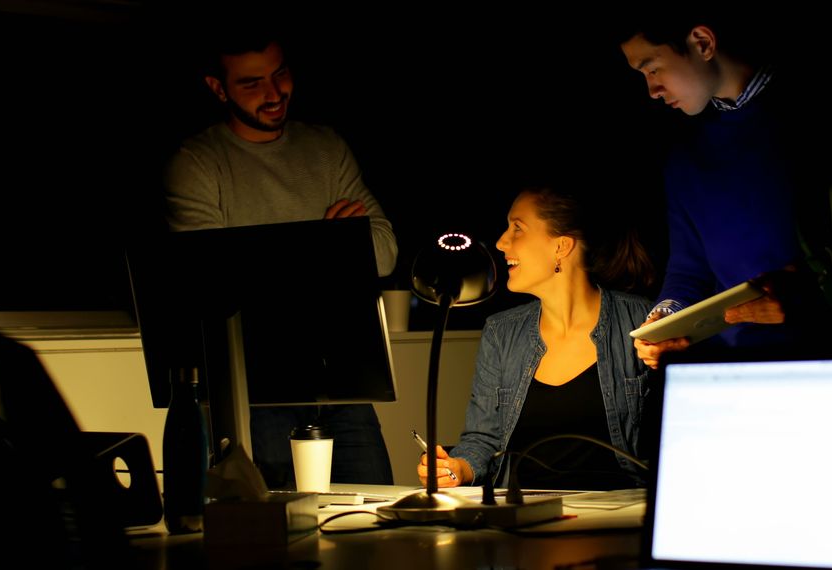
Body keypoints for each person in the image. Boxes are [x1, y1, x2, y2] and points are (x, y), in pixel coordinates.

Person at [163, 29, 396, 487]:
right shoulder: (197, 164)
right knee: (271, 527)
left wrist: (275, 256)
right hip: (253, 384)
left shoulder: (324, 147)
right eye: (252, 83)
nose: (274, 94)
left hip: (342, 375)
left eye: (281, 73)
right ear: (218, 87)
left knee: (374, 516)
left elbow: (384, 251)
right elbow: (212, 281)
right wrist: (330, 244)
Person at [618, 9, 832, 368]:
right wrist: (666, 317)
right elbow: (688, 269)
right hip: (738, 371)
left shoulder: (820, 115)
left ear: (703, 43)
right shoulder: (685, 154)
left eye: (653, 68)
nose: (652, 90)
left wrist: (809, 293)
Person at [418, 186, 655, 490]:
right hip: (524, 517)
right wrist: (457, 469)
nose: (502, 242)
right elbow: (482, 440)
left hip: (617, 517)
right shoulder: (502, 332)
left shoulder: (641, 321)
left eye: (517, 228)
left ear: (561, 246)